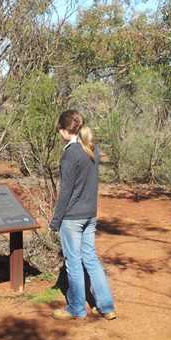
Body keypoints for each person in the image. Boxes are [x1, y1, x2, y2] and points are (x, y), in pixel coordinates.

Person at [49, 110, 117, 320]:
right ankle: (106, 307)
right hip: (90, 214)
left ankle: (76, 308)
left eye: (60, 130)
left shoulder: (71, 153)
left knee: (73, 262)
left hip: (72, 217)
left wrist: (55, 220)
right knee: (91, 258)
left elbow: (66, 192)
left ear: (63, 130)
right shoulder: (91, 149)